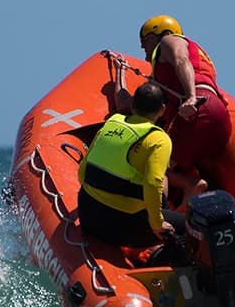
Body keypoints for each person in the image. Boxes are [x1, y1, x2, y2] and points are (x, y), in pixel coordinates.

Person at [132, 15, 232, 200]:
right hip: (218, 117)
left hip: (196, 114)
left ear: (161, 34)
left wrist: (191, 97)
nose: (143, 49)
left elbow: (180, 60)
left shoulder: (170, 41)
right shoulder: (200, 57)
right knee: (185, 167)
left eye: (145, 41)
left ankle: (174, 202)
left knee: (151, 163)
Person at [78, 82, 185, 248]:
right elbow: (152, 182)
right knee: (191, 227)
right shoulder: (159, 139)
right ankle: (165, 258)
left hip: (88, 215)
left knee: (159, 180)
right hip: (121, 228)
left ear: (133, 104)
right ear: (162, 110)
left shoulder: (113, 122)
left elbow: (82, 172)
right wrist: (157, 224)